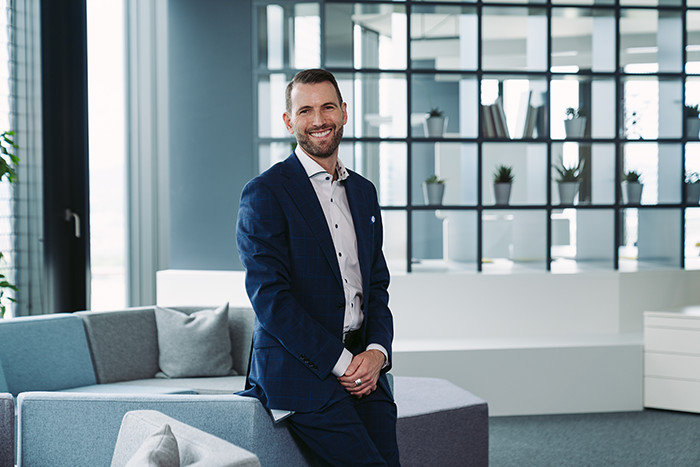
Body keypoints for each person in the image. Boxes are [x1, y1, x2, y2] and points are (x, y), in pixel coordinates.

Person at [236, 68, 399, 466]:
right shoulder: (266, 193)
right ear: (289, 122)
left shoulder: (363, 192)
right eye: (305, 110)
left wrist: (376, 353)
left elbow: (376, 284)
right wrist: (343, 364)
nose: (319, 119)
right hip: (298, 374)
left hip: (363, 369)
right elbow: (271, 300)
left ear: (344, 112)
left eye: (328, 107)